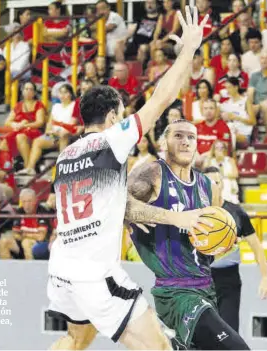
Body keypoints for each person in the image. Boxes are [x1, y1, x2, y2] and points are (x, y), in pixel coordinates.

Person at [47, 7, 214, 350]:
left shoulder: (65, 156)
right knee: (161, 348)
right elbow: (162, 98)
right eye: (121, 116)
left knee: (76, 340)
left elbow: (113, 205)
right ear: (112, 117)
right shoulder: (111, 139)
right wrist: (189, 49)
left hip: (61, 269)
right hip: (96, 275)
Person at [127, 120, 250, 350]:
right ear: (164, 142)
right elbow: (121, 204)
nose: (185, 142)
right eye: (178, 136)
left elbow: (205, 244)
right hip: (175, 292)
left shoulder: (206, 185)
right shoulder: (152, 173)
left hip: (206, 287)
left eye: (191, 137)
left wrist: (222, 243)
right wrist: (173, 218)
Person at [205, 167, 267, 332]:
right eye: (207, 182)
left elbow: (256, 246)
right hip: (200, 280)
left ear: (222, 185)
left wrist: (265, 277)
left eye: (216, 182)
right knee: (200, 336)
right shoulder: (193, 213)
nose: (212, 186)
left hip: (228, 280)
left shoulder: (236, 213)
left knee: (228, 334)